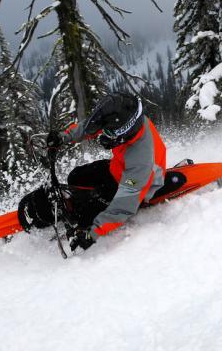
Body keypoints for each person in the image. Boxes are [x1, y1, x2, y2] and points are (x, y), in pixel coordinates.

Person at [17, 92, 166, 252]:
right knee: (75, 176)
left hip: (136, 186)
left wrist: (92, 233)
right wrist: (64, 137)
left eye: (109, 133)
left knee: (82, 217)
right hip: (118, 169)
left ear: (124, 132)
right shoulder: (126, 120)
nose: (104, 135)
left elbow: (123, 206)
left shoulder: (140, 161)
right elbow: (92, 126)